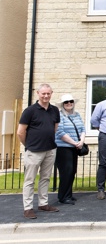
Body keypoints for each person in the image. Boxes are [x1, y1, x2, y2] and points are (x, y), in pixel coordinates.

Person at [17, 83, 60, 219]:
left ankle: (43, 203)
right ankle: (28, 208)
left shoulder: (54, 110)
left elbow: (55, 128)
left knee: (45, 178)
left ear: (51, 93)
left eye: (48, 93)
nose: (46, 96)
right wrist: (28, 145)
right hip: (34, 151)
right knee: (30, 180)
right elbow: (20, 132)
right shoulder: (29, 111)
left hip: (50, 149)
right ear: (38, 93)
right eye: (43, 93)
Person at [55, 94, 85, 205]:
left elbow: (83, 129)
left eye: (71, 101)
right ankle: (63, 197)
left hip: (74, 147)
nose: (69, 104)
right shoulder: (59, 116)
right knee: (66, 172)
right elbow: (60, 132)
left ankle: (68, 194)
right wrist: (75, 143)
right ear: (62, 104)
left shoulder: (77, 115)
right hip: (63, 147)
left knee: (72, 171)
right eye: (66, 102)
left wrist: (81, 141)